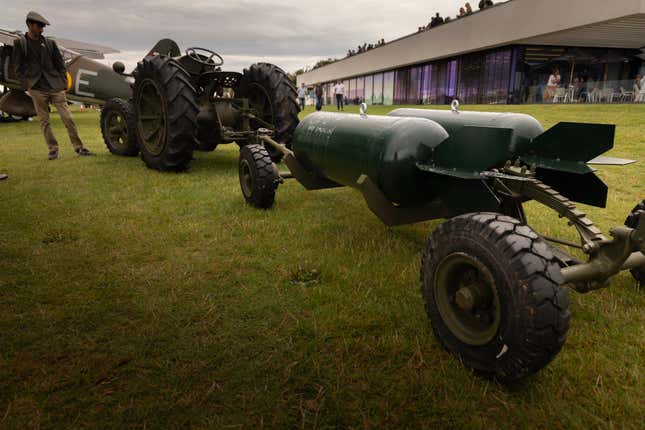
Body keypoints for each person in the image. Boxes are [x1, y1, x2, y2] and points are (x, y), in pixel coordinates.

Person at [12, 11, 93, 160]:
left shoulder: (50, 43)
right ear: (29, 25)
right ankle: (53, 148)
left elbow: (60, 64)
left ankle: (79, 147)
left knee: (68, 118)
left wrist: (62, 82)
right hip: (36, 88)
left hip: (55, 87)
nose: (42, 29)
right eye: (39, 26)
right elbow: (17, 67)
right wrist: (26, 86)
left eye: (43, 26)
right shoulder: (20, 43)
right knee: (44, 121)